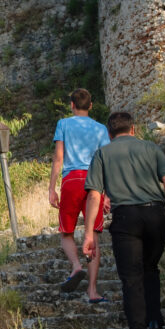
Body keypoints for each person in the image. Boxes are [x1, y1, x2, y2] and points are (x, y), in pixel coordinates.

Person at [82, 111, 165, 329]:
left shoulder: (102, 154)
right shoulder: (151, 149)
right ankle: (155, 321)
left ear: (109, 134)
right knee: (150, 268)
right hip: (156, 215)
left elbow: (94, 196)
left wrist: (89, 234)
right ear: (133, 129)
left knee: (132, 280)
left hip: (126, 220)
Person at [48, 88, 110, 301]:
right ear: (91, 106)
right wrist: (107, 193)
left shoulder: (63, 124)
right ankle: (92, 291)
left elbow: (58, 158)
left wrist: (52, 188)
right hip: (95, 181)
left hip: (72, 180)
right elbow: (107, 161)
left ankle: (76, 266)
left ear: (71, 105)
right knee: (92, 236)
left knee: (66, 232)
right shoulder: (101, 128)